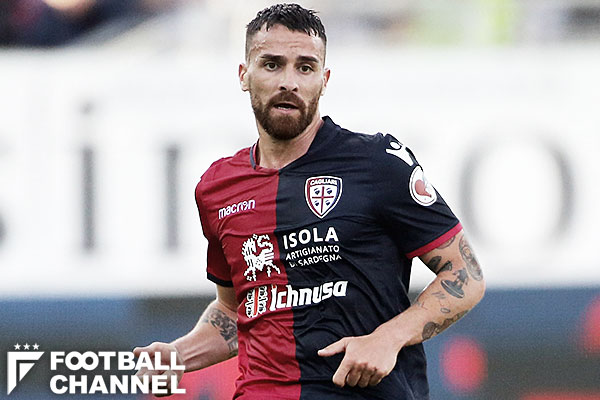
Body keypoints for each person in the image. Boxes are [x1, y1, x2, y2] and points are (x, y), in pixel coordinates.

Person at [134, 3, 485, 399]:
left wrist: (388, 338)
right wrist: (179, 354)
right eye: (272, 65)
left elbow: (465, 274)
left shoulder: (377, 163)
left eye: (305, 67)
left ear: (324, 79)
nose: (289, 82)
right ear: (244, 75)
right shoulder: (217, 187)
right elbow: (235, 310)